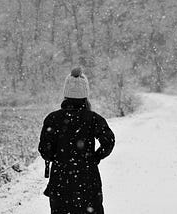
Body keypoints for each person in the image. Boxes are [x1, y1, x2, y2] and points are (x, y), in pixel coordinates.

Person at [38, 67, 115, 214]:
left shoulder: (53, 119)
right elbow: (108, 141)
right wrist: (94, 158)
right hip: (88, 181)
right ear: (85, 96)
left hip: (60, 181)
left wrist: (60, 158)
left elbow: (45, 151)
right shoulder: (93, 119)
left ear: (66, 95)